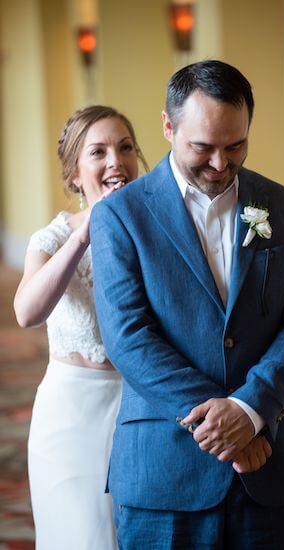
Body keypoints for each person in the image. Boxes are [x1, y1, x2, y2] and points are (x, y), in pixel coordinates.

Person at [90, 60, 284, 549]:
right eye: (202, 147)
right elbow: (127, 336)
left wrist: (249, 409)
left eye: (235, 145)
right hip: (164, 470)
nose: (220, 163)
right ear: (168, 126)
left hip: (270, 459)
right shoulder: (120, 215)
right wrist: (221, 423)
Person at [13, 105, 148, 550]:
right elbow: (27, 312)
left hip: (139, 411)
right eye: (99, 151)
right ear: (75, 173)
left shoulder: (153, 232)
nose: (116, 160)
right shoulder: (50, 239)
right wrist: (84, 234)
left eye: (125, 147)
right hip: (70, 418)